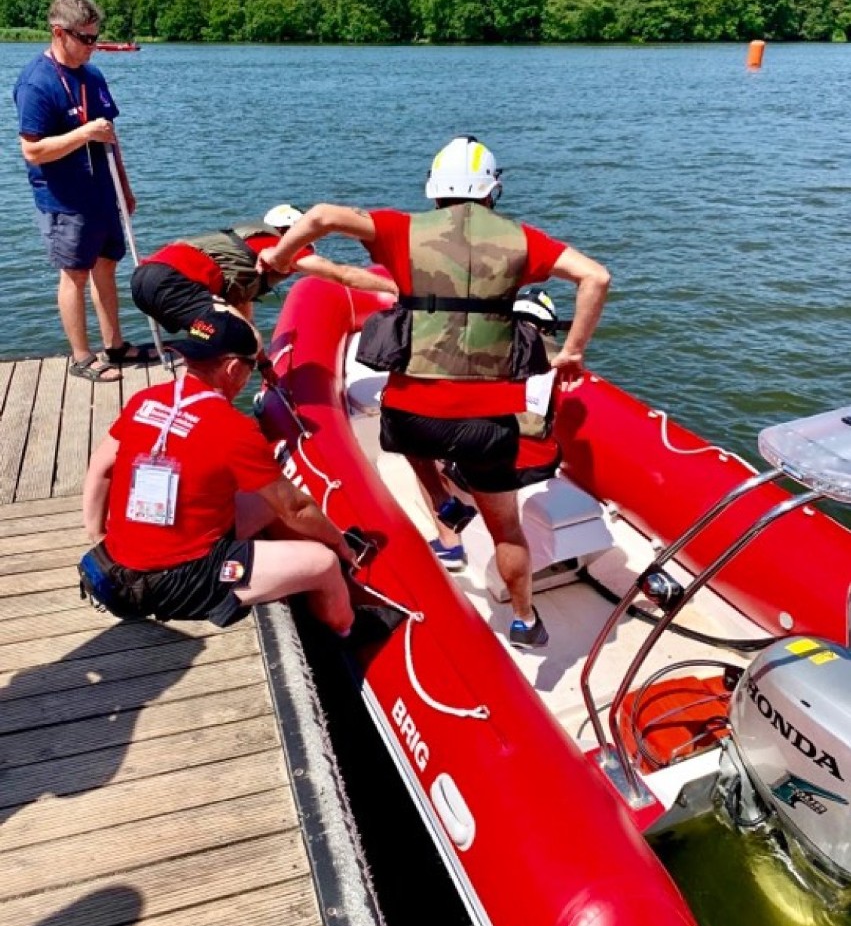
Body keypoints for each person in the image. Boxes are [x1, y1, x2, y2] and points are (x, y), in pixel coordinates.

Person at [256, 135, 610, 648]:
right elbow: (595, 278)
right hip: (488, 419)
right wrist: (573, 351)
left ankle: (444, 505)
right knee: (506, 530)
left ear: (434, 189)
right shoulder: (523, 239)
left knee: (400, 432)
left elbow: (323, 215)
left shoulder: (401, 229)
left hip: (412, 410)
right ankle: (524, 620)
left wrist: (282, 256)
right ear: (494, 191)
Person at [80, 308, 357, 634]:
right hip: (176, 581)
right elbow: (295, 507)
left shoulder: (146, 400)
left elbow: (99, 469)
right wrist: (340, 544)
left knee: (265, 499)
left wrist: (99, 536)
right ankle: (347, 629)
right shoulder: (232, 428)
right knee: (321, 563)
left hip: (117, 562)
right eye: (250, 369)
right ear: (233, 367)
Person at [13, 0, 155, 384]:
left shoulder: (92, 75)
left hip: (101, 191)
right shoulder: (36, 83)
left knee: (107, 263)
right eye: (87, 39)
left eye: (96, 37)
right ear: (60, 33)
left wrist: (124, 188)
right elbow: (33, 150)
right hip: (64, 197)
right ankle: (80, 356)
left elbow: (110, 136)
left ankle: (116, 346)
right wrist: (83, 133)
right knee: (74, 274)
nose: (95, 46)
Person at [414, 286, 565, 573]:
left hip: (500, 467)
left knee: (423, 454)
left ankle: (449, 543)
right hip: (543, 463)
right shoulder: (560, 359)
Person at [130, 203, 397, 335]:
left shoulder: (246, 239)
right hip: (173, 284)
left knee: (224, 336)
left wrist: (262, 361)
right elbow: (341, 274)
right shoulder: (280, 246)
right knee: (230, 341)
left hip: (144, 279)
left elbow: (241, 302)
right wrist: (396, 287)